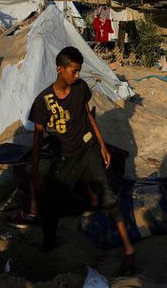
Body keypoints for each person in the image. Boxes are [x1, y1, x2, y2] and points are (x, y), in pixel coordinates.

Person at [28, 46, 135, 275]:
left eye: (79, 71)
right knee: (52, 205)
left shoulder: (80, 88)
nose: (77, 76)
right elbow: (37, 136)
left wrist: (103, 146)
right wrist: (35, 170)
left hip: (87, 151)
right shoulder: (43, 101)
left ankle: (129, 251)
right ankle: (48, 244)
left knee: (109, 197)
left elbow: (88, 116)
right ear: (60, 69)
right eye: (74, 71)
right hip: (64, 159)